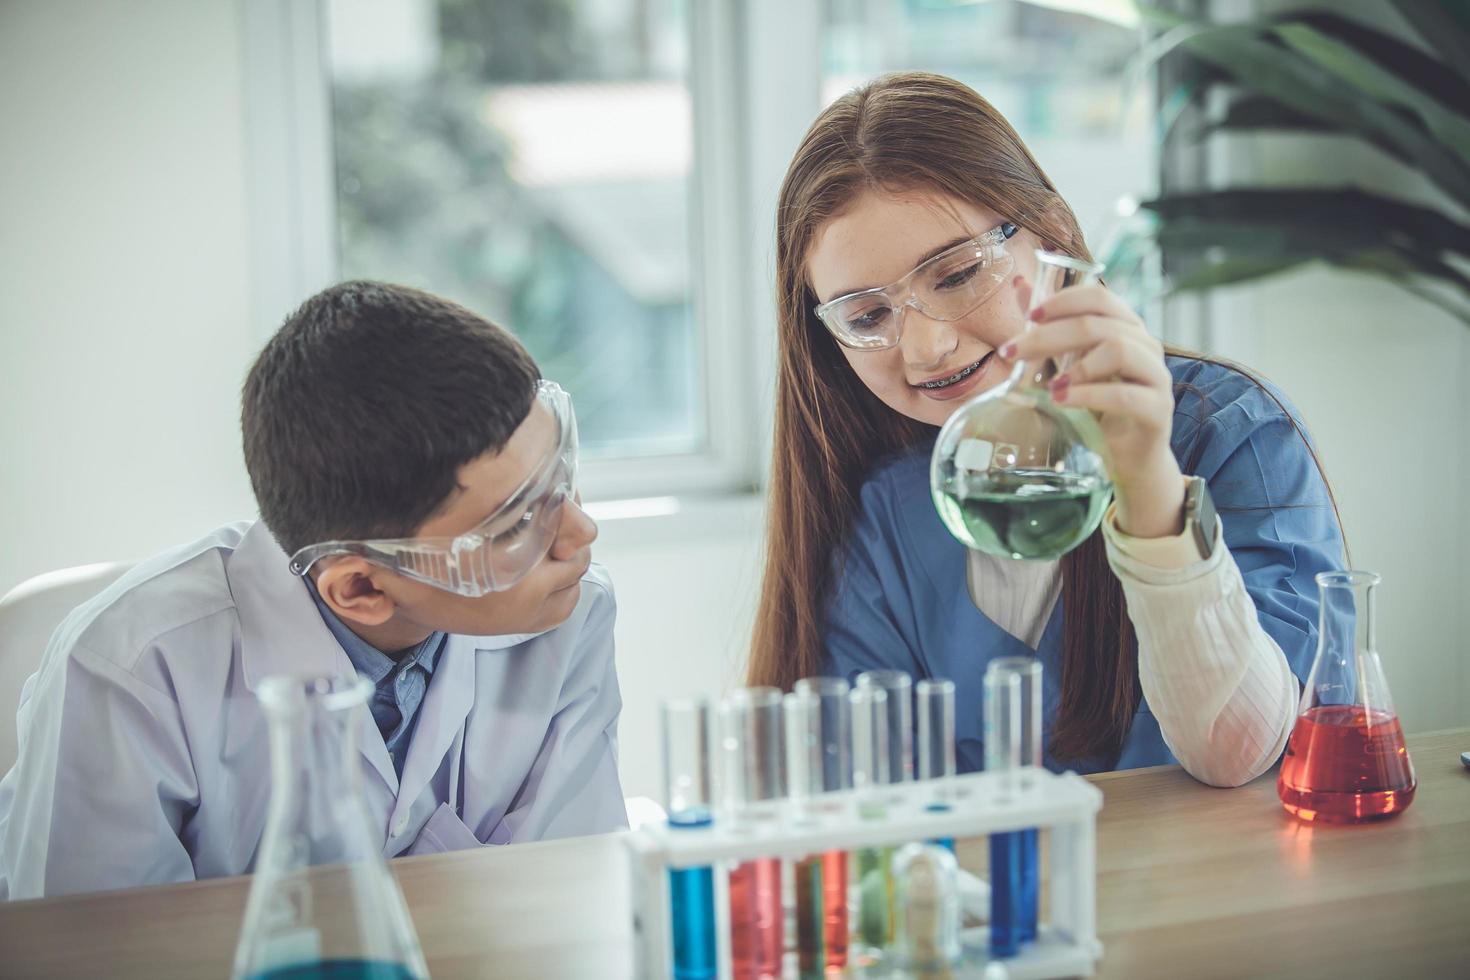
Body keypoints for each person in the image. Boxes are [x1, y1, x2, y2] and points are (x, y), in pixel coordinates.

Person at [748, 72, 1344, 787]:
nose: (927, 347)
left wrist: (1146, 479)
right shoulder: (886, 507)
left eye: (959, 273)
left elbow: (1244, 754)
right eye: (869, 316)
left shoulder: (1232, 434)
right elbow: (851, 797)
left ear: (1052, 236)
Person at [0, 281, 625, 900]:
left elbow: (567, 902)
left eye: (560, 475)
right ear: (358, 588)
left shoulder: (572, 613)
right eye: (516, 522)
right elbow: (86, 955)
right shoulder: (129, 671)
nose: (579, 531)